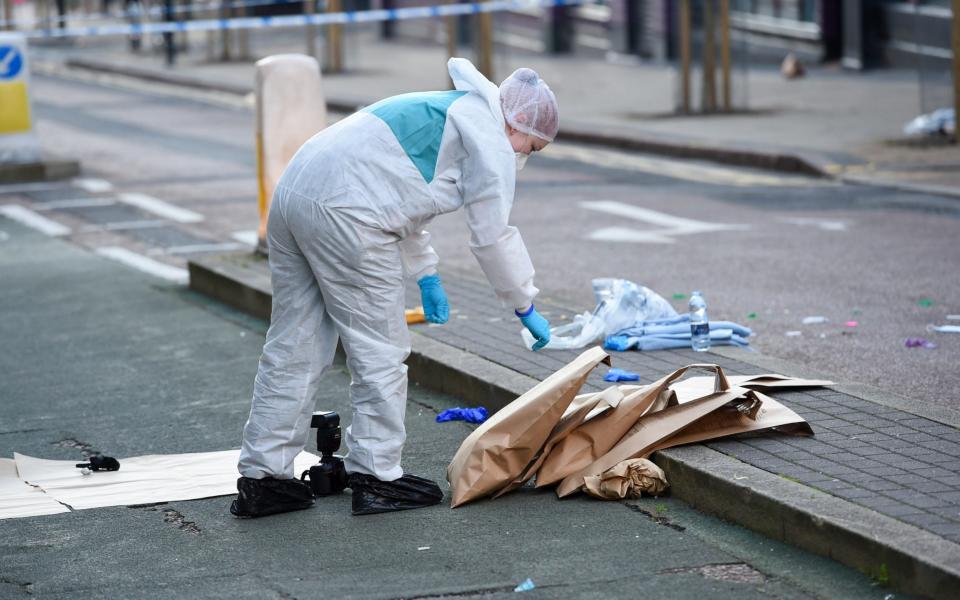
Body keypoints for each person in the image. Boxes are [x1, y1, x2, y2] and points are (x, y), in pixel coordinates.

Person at [231, 57, 559, 518]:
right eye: (533, 146)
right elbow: (491, 236)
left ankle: (263, 479)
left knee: (294, 345)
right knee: (380, 351)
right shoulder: (490, 140)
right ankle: (377, 475)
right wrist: (524, 304)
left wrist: (426, 274)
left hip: (295, 196)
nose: (526, 155)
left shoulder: (449, 108)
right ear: (517, 123)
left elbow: (403, 197)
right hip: (349, 212)